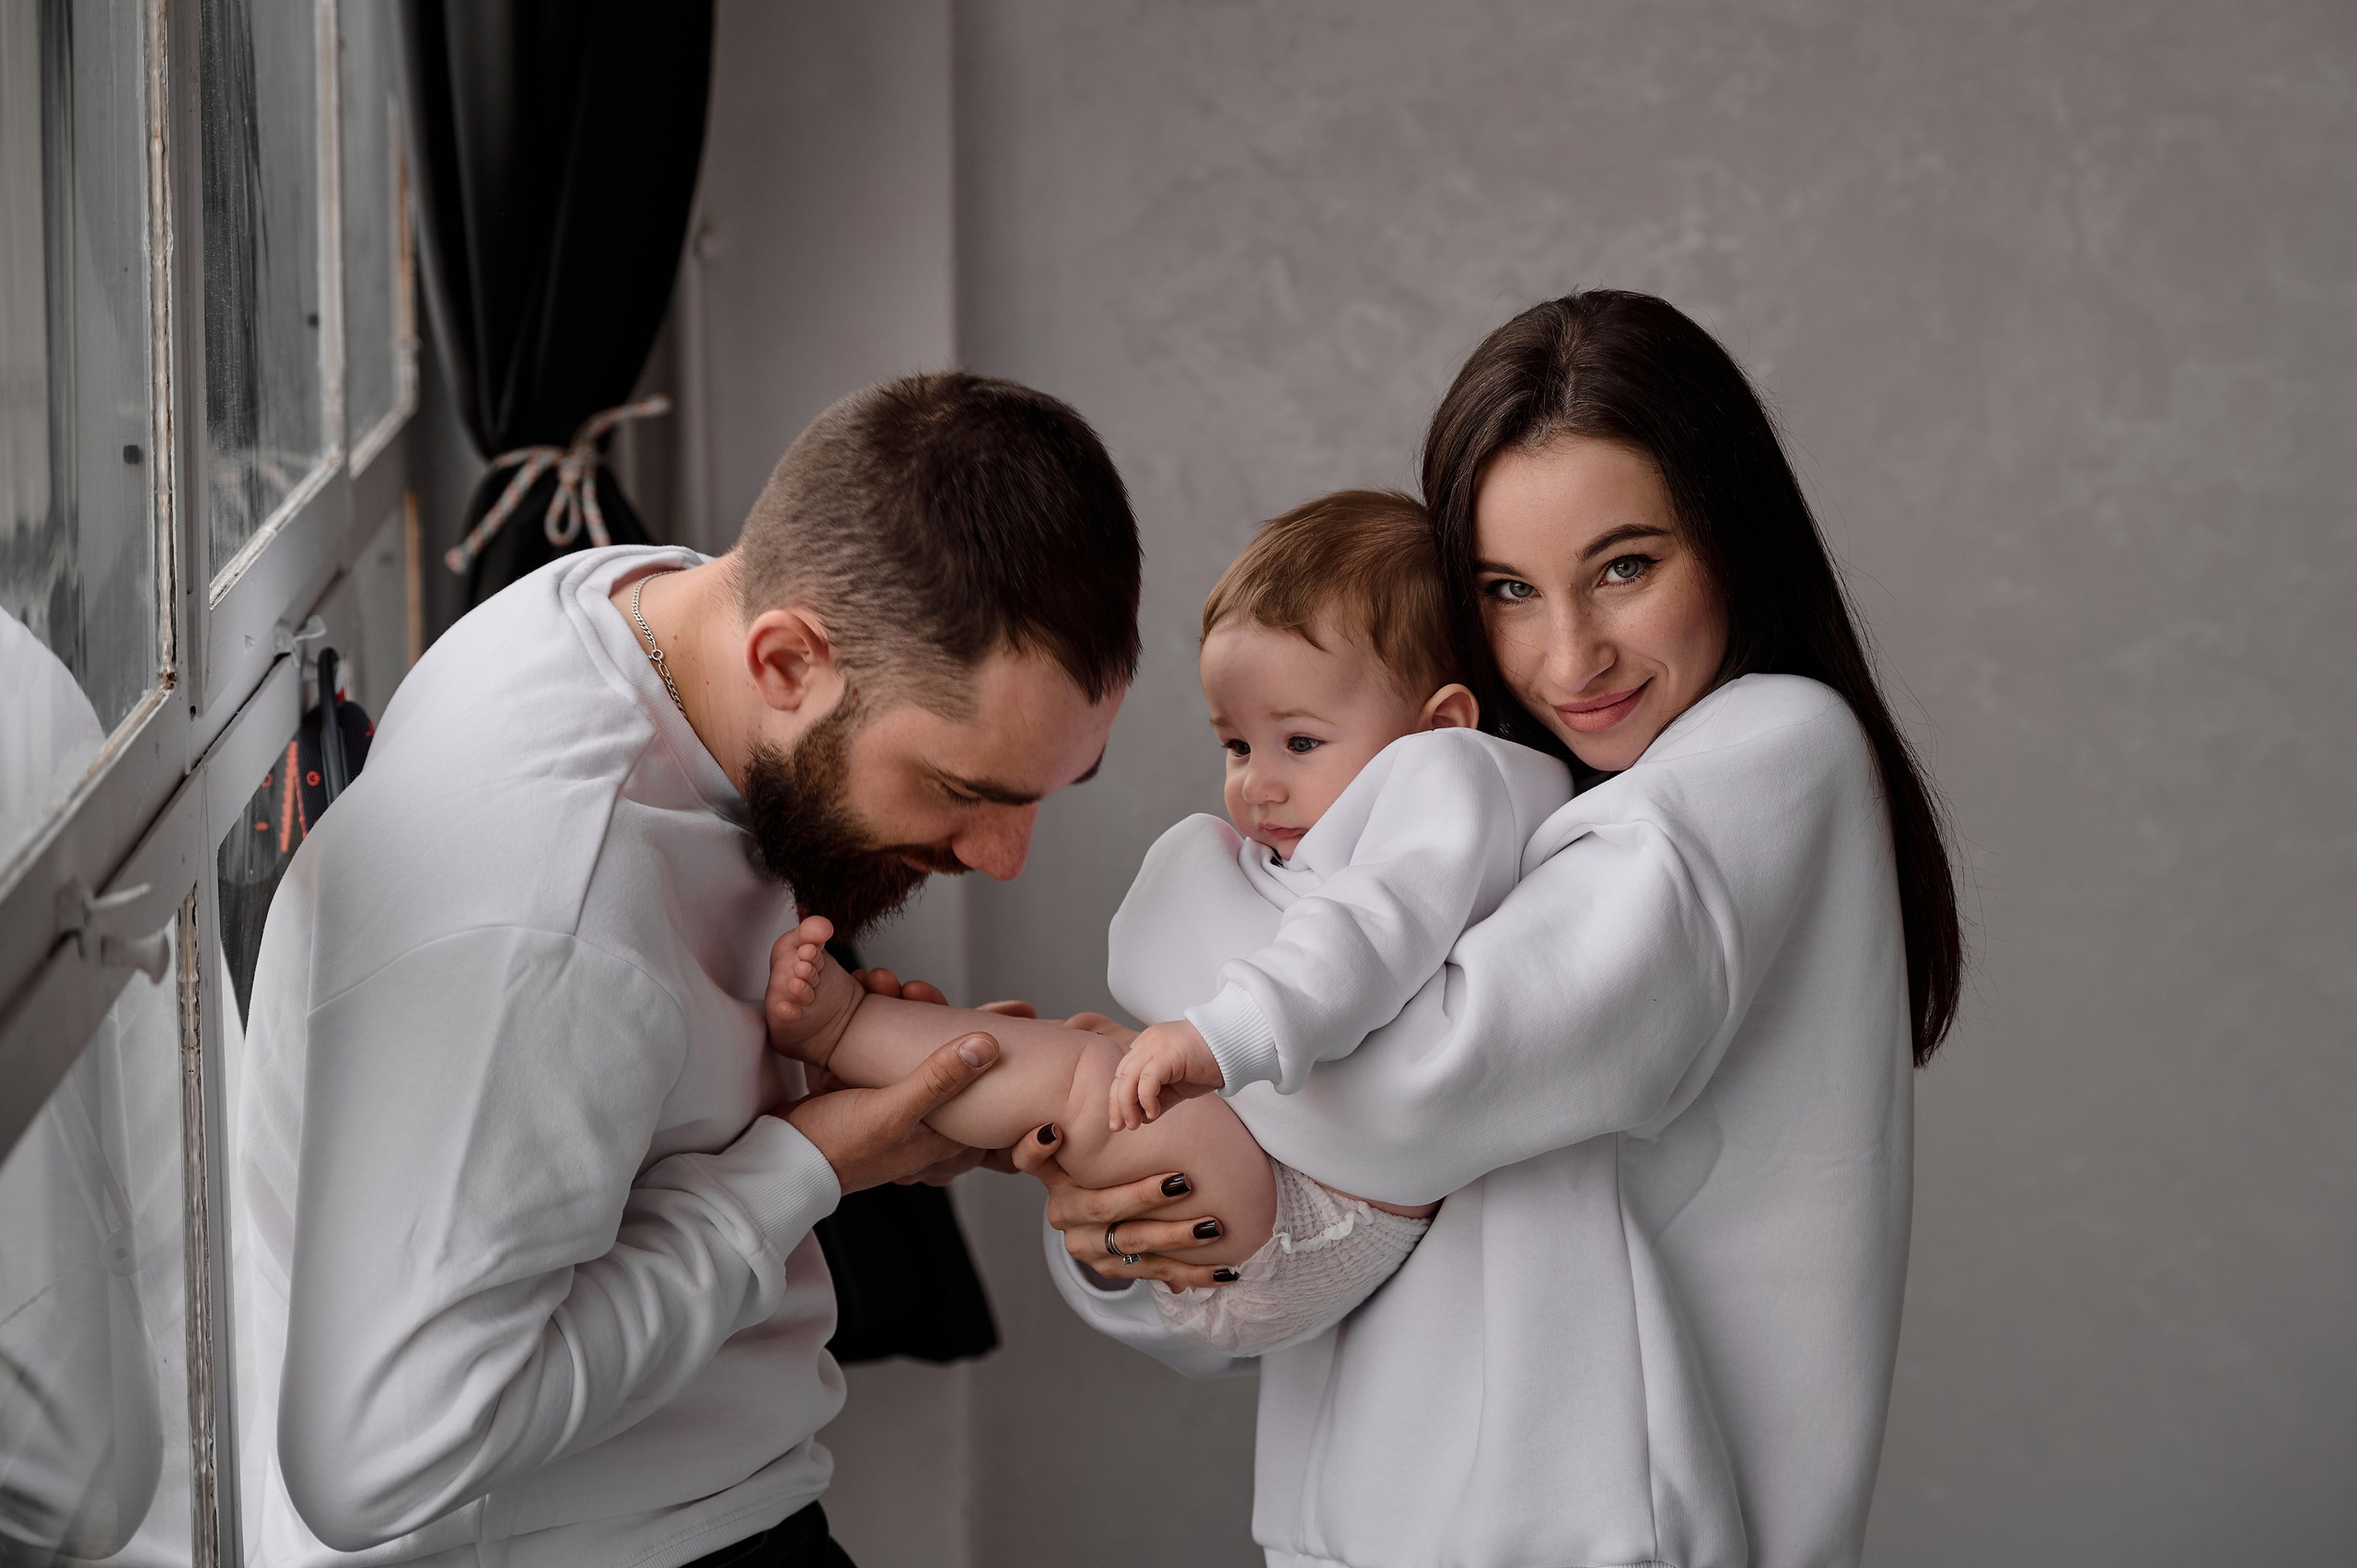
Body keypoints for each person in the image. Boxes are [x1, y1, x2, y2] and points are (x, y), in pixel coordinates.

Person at [1030, 290, 1965, 1568]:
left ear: (1732, 540)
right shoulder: (1479, 800)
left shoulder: (1771, 751)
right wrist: (1143, 1230)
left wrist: (1179, 900)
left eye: (1626, 566)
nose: (1571, 652)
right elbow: (1333, 1236)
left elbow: (1405, 1100)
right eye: (1510, 590)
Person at [230, 373, 1144, 1568]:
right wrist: (806, 1162)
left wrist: (825, 1084)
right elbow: (375, 1460)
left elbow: (589, 1110)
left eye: (1039, 796)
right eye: (965, 791)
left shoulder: (630, 607)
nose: (1004, 859)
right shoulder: (538, 912)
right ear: (785, 660)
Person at [765, 491, 1568, 1354]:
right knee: (1079, 1066)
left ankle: (848, 1027)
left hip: (1325, 1209)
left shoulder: (1450, 783)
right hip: (1268, 1185)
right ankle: (874, 1072)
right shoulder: (1344, 829)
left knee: (1077, 1072)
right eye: (1236, 745)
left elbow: (1365, 938)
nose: (1257, 783)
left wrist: (1224, 1035)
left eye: (1298, 742)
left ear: (1439, 722)